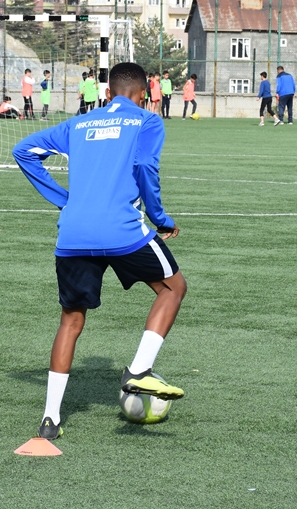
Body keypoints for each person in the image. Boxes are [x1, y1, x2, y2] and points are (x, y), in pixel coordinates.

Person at [13, 62, 187, 442]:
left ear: (106, 93)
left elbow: (23, 151)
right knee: (173, 288)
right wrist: (159, 216)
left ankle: (50, 419)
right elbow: (143, 164)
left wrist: (65, 201)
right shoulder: (146, 121)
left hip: (73, 233)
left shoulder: (79, 124)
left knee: (71, 321)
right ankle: (139, 370)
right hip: (122, 231)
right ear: (144, 95)